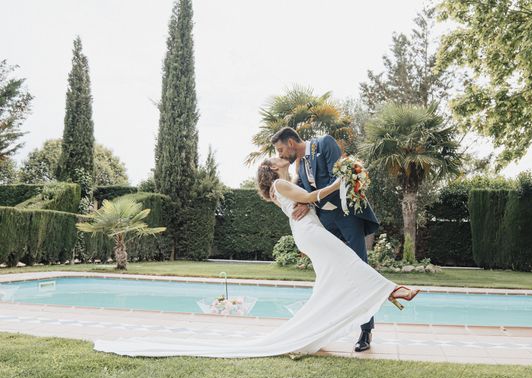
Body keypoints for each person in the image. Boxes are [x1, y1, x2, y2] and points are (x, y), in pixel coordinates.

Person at [92, 159, 417, 359]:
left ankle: (311, 336)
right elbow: (306, 198)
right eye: (276, 159)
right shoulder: (280, 182)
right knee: (347, 261)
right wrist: (338, 183)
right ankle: (392, 290)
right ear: (271, 170)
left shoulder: (281, 186)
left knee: (330, 279)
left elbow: (302, 200)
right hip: (309, 233)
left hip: (306, 232)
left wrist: (318, 195)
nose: (281, 158)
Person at [269, 127, 380, 352]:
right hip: (325, 223)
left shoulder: (324, 143)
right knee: (329, 274)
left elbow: (336, 178)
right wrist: (304, 201)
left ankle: (366, 330)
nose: (280, 155)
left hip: (347, 217)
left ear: (291, 142)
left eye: (281, 149)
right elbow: (300, 192)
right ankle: (325, 329)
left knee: (359, 267)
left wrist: (309, 199)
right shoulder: (298, 167)